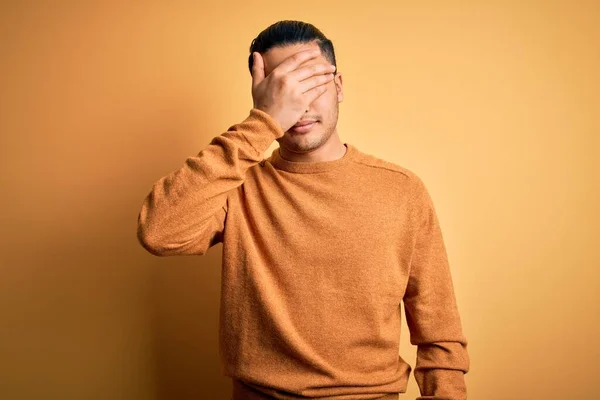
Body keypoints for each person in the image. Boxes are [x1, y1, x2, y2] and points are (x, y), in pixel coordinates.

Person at [137, 20, 470, 400]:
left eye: (311, 84)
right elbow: (159, 232)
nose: (302, 106)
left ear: (339, 86)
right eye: (285, 91)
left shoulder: (402, 190)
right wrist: (262, 122)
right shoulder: (237, 187)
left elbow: (439, 330)